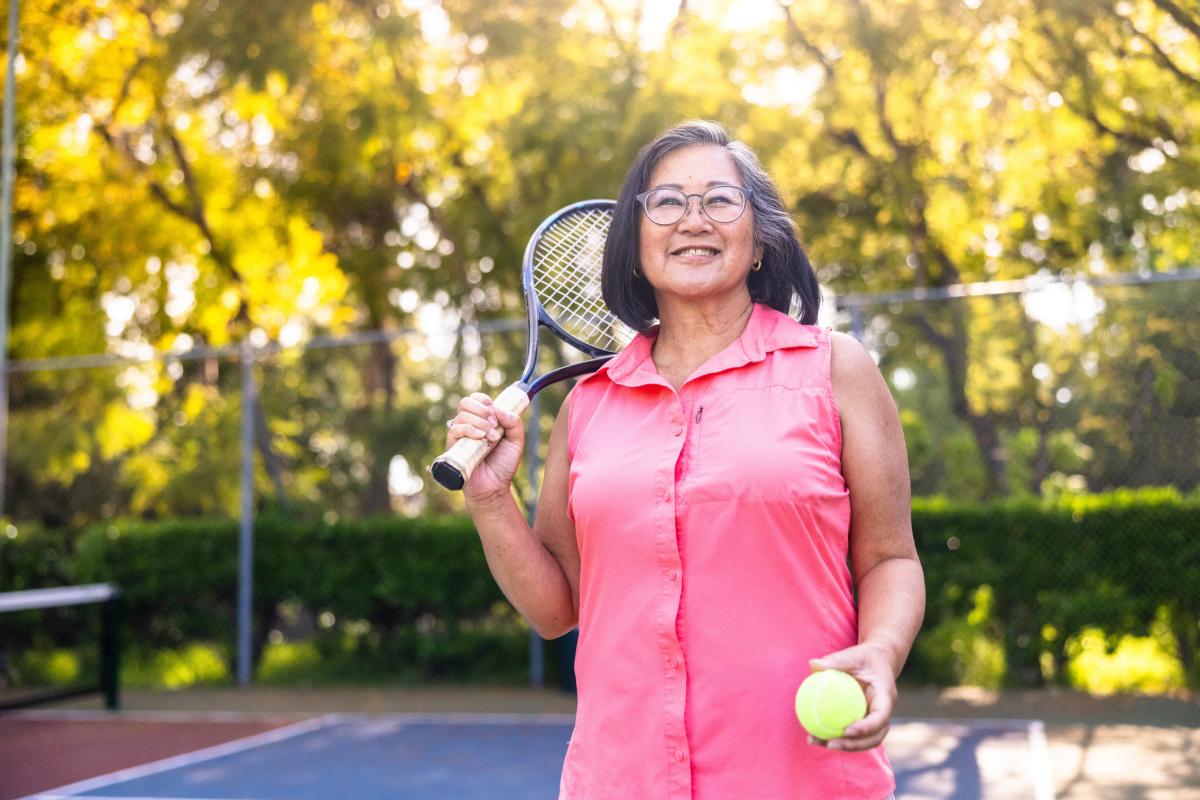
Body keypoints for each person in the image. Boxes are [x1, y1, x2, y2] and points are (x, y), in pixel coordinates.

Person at [445, 120, 924, 800]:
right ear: (634, 243)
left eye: (720, 201)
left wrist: (882, 651)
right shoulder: (590, 404)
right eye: (666, 202)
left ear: (759, 238)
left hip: (801, 778)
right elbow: (556, 609)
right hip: (620, 779)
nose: (692, 219)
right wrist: (492, 501)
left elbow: (890, 559)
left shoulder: (835, 369)